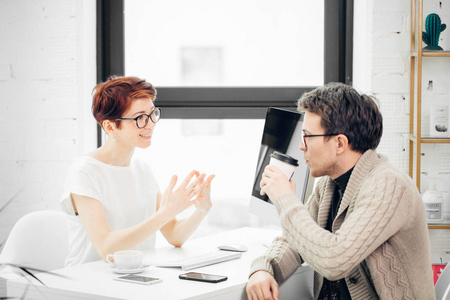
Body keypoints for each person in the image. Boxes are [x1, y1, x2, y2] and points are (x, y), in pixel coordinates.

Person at [246, 83, 435, 299]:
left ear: (339, 143)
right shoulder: (329, 183)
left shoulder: (389, 186)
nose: (301, 145)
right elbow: (295, 239)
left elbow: (335, 260)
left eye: (307, 136)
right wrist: (264, 267)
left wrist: (286, 199)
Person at [60, 76, 214, 267]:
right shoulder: (84, 172)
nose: (150, 124)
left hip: (134, 279)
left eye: (152, 114)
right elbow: (106, 248)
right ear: (110, 126)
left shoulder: (142, 170)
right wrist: (165, 213)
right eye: (140, 118)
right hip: (87, 283)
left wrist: (202, 209)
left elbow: (174, 235)